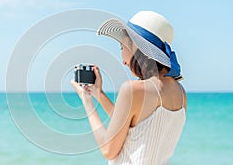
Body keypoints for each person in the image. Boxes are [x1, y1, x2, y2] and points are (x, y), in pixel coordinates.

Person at [71, 11, 187, 165]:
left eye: (122, 47)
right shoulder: (180, 92)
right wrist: (98, 94)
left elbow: (108, 150)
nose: (123, 60)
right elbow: (133, 125)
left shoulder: (133, 90)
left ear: (136, 47)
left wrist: (87, 103)